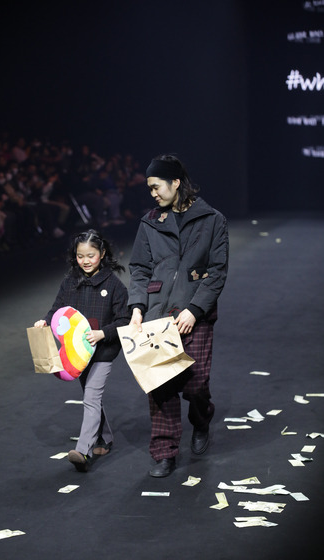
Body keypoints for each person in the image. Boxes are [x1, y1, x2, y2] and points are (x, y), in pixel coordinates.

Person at [128, 154, 228, 477]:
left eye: (157, 187)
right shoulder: (149, 222)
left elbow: (217, 272)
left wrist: (194, 310)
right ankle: (164, 452)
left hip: (194, 315)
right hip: (158, 316)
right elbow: (139, 269)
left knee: (196, 383)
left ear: (176, 183)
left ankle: (201, 419)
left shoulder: (213, 220)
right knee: (161, 386)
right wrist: (137, 308)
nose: (152, 194)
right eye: (149, 189)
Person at [34, 229, 130, 472]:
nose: (86, 261)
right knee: (91, 395)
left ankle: (83, 450)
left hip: (104, 352)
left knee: (91, 397)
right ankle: (105, 438)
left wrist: (102, 333)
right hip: (76, 352)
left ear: (102, 253)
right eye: (80, 256)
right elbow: (57, 309)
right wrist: (45, 321)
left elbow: (125, 321)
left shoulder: (115, 286)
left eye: (91, 255)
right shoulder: (70, 282)